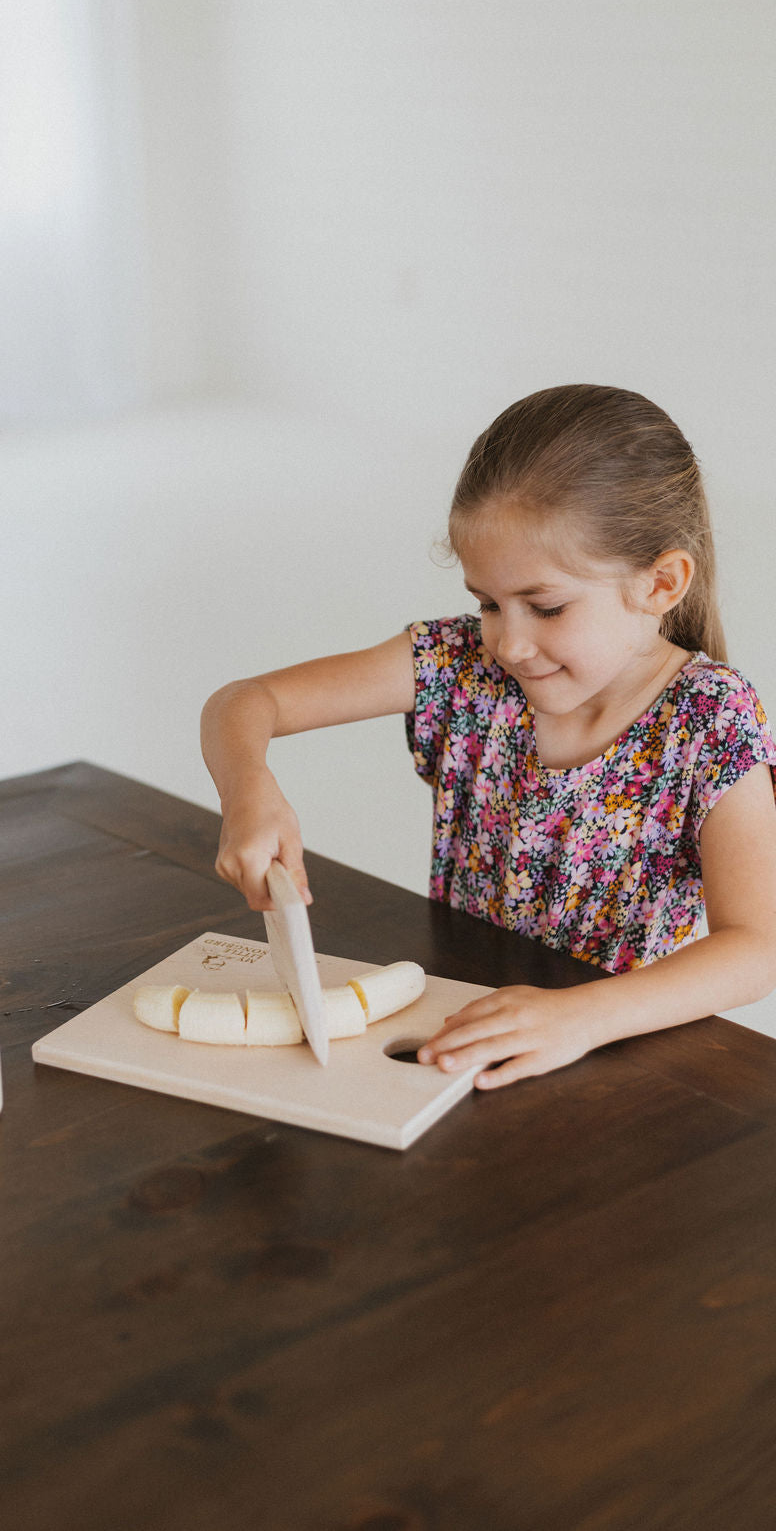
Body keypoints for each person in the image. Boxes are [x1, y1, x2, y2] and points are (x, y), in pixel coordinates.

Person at [200, 383, 776, 1089]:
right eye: (487, 603)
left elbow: (757, 948)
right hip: (462, 1038)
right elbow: (242, 702)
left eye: (546, 606)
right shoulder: (458, 664)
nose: (508, 641)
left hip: (620, 1071)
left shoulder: (710, 719)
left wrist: (579, 1017)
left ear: (660, 583)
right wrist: (248, 787)